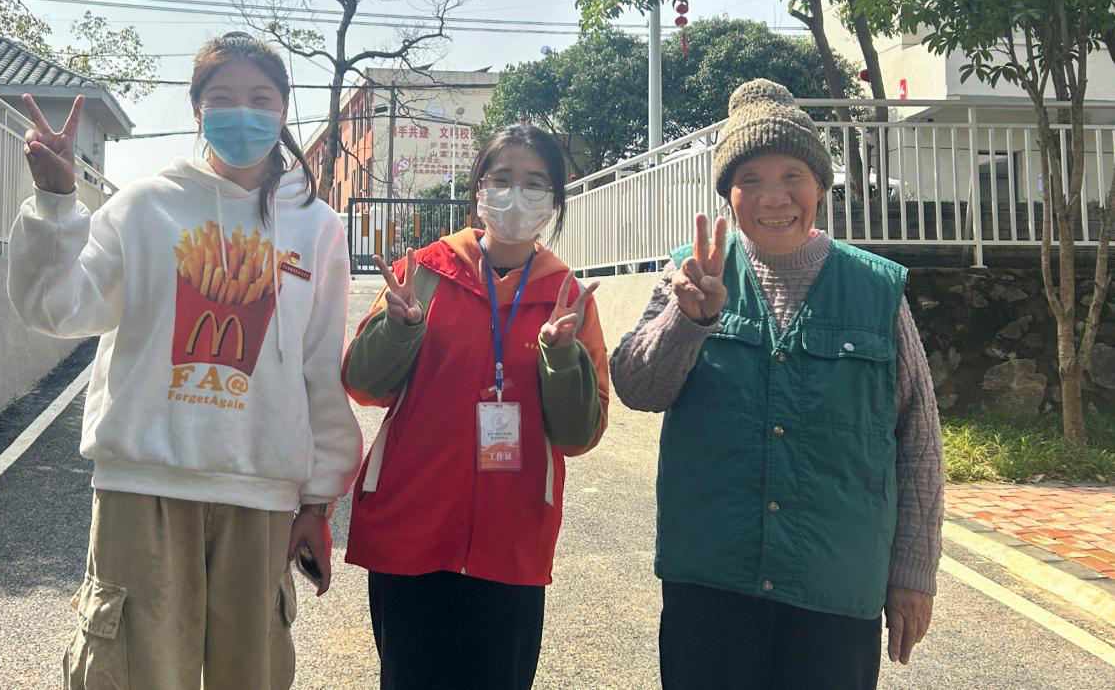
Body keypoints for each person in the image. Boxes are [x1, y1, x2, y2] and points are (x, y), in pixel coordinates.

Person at [8, 31, 362, 690]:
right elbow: (55, 308)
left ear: (284, 109)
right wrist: (56, 204)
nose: (242, 112)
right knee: (131, 674)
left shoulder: (317, 227)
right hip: (142, 485)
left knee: (252, 674)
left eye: (260, 97)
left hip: (259, 490)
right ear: (197, 110)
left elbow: (319, 366)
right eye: (221, 97)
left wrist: (318, 501)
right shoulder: (146, 206)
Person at [611, 79, 943, 690]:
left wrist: (913, 573)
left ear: (820, 185)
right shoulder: (690, 272)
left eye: (793, 175)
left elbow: (918, 438)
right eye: (751, 179)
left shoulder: (875, 289)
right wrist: (687, 320)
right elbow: (637, 387)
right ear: (728, 194)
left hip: (834, 585)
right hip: (712, 581)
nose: (774, 197)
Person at [343, 124, 611, 690]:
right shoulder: (424, 272)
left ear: (555, 200)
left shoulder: (567, 298)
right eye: (503, 179)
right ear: (478, 190)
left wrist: (561, 357)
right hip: (409, 533)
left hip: (511, 544)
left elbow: (579, 435)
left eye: (535, 183)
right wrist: (398, 329)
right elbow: (362, 384)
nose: (516, 195)